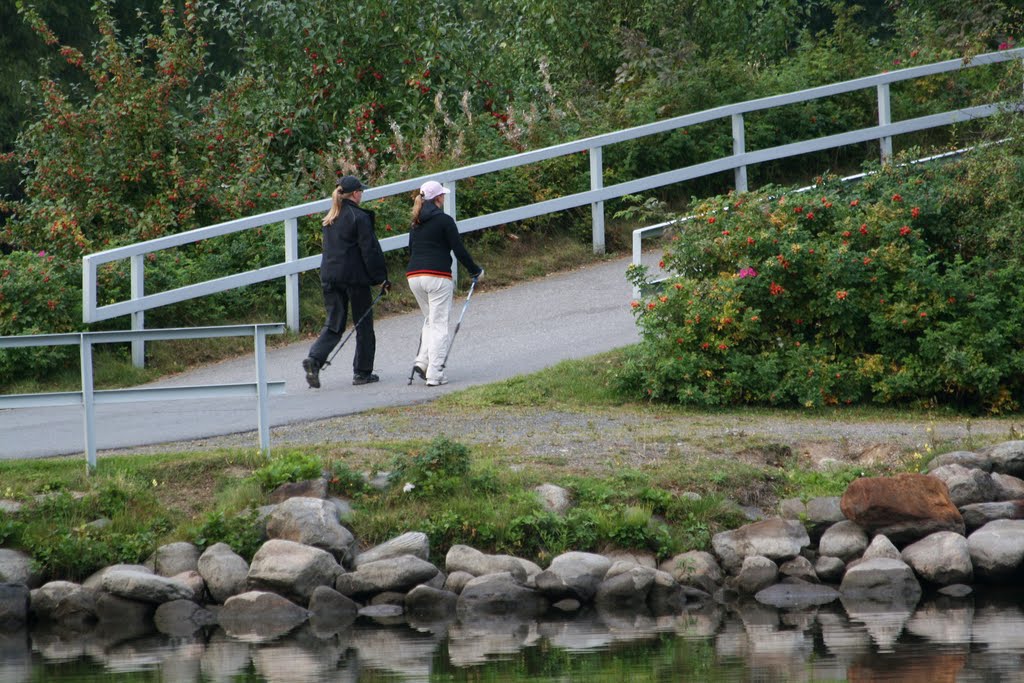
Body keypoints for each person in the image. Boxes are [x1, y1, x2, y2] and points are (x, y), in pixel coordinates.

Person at [302, 175, 390, 388]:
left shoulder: (331, 217)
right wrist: (380, 278)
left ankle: (314, 359)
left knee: (334, 323)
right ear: (356, 194)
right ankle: (362, 372)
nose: (362, 194)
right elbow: (369, 251)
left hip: (330, 276)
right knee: (363, 324)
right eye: (361, 191)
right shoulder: (358, 217)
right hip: (354, 278)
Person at [406, 179, 483, 386]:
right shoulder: (444, 220)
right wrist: (475, 271)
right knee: (439, 324)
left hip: (414, 276)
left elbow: (411, 249)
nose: (444, 197)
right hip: (437, 276)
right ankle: (435, 372)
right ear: (438, 198)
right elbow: (458, 250)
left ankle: (422, 361)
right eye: (443, 195)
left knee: (430, 320)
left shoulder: (416, 222)